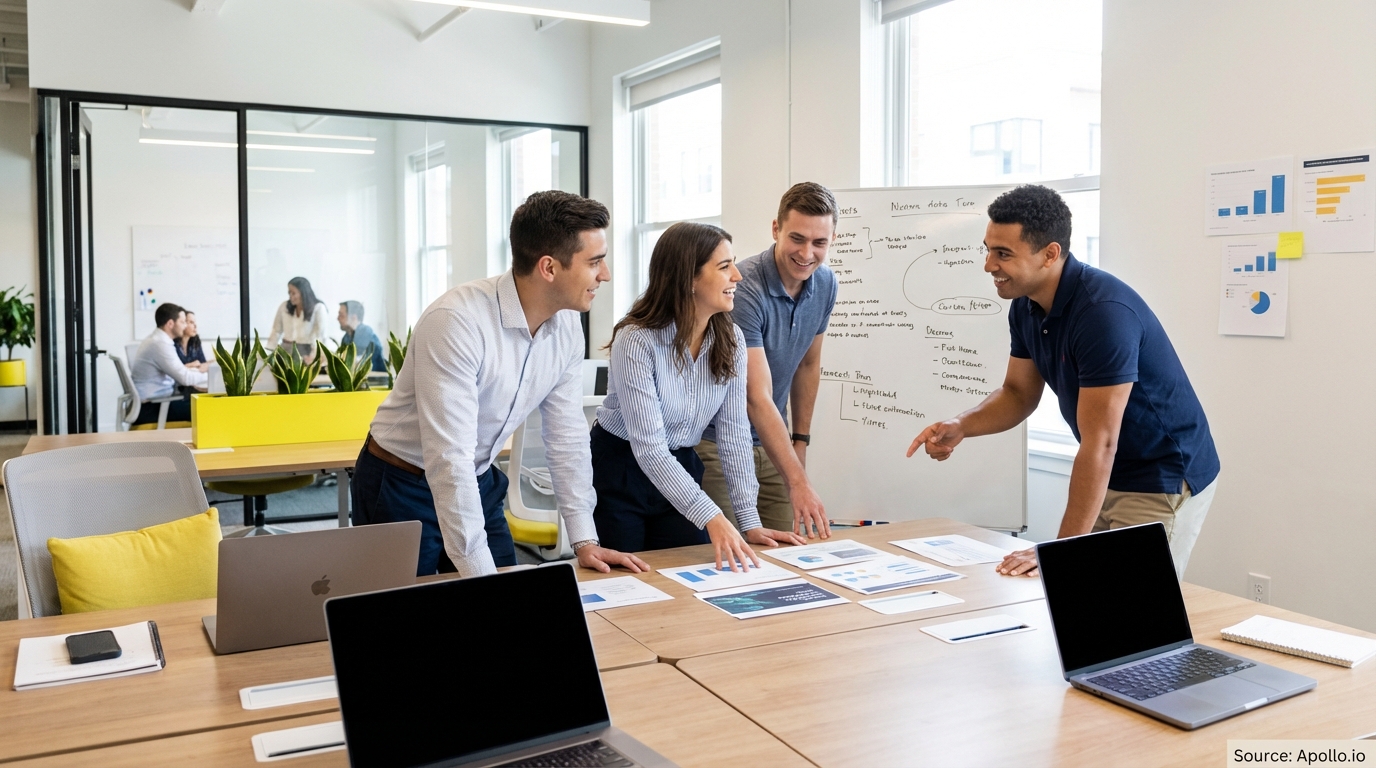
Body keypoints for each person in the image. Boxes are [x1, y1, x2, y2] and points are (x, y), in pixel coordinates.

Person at [907, 185, 1220, 579]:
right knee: (1085, 599)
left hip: (1161, 476)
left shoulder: (1103, 315)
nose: (989, 265)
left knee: (1134, 611)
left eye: (1003, 254)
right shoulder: (1026, 305)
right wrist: (961, 425)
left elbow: (1101, 444)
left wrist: (1058, 552)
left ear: (1050, 254)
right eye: (988, 249)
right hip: (1111, 466)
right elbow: (1018, 393)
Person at [355, 190, 647, 578]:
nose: (605, 274)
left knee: (505, 616)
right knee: (405, 623)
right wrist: (480, 575)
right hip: (401, 483)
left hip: (477, 478)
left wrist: (584, 540)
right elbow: (449, 458)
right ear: (549, 267)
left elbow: (567, 437)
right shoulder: (456, 321)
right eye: (595, 261)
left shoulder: (566, 327)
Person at [592, 221, 805, 570]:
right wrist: (712, 515)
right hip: (620, 470)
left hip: (681, 464)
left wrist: (748, 520)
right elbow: (649, 448)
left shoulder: (731, 339)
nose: (737, 275)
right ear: (688, 278)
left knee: (687, 577)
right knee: (622, 582)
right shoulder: (636, 340)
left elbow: (734, 434)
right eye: (724, 267)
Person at [698, 182, 838, 540]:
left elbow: (808, 365)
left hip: (773, 445)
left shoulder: (825, 284)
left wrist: (800, 444)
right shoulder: (744, 288)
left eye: (819, 242)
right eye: (797, 238)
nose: (807, 253)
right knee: (731, 558)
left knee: (787, 555)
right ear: (775, 229)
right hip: (719, 445)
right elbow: (754, 396)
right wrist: (798, 480)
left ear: (832, 239)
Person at [130, 302, 208, 425]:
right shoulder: (160, 344)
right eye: (182, 322)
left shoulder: (158, 340)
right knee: (207, 409)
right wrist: (212, 376)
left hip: (156, 401)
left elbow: (179, 372)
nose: (184, 326)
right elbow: (186, 379)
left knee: (201, 403)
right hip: (152, 407)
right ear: (171, 324)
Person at [267, 277, 327, 363]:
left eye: (294, 293)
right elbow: (276, 331)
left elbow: (320, 336)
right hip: (285, 351)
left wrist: (313, 357)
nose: (291, 296)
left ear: (303, 293)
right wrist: (269, 353)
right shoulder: (284, 306)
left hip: (307, 353)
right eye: (289, 293)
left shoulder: (318, 308)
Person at [337, 300, 386, 372]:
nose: (338, 318)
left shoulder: (365, 333)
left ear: (354, 317)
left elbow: (357, 364)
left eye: (341, 315)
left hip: (374, 380)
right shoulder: (346, 338)